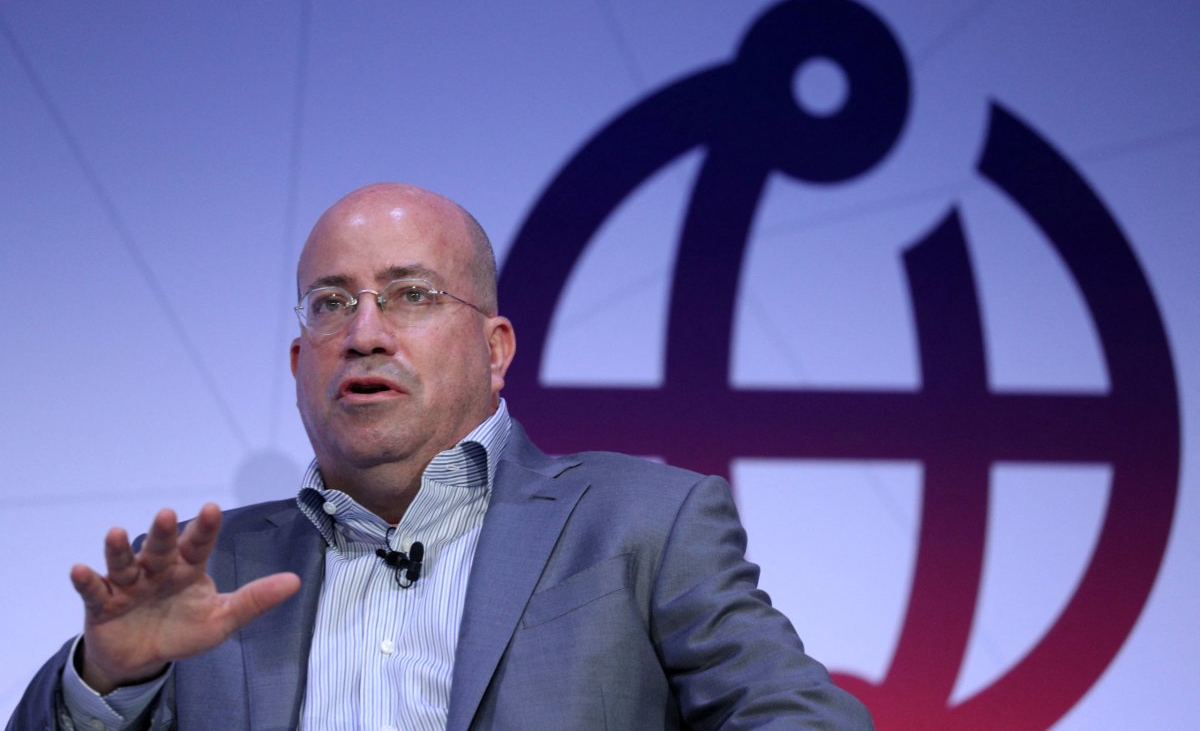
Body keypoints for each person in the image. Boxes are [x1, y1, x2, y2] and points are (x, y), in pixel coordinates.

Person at [8, 183, 874, 730]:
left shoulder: (641, 525)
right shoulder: (212, 576)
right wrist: (109, 680)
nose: (365, 333)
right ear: (298, 364)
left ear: (496, 349)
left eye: (410, 295)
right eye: (330, 303)